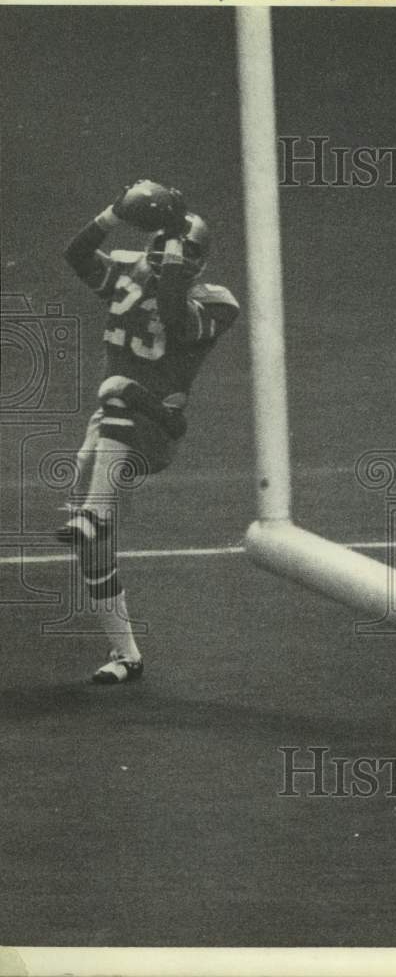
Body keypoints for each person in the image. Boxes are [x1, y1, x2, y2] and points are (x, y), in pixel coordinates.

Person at [59, 181, 239, 683]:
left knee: (117, 387)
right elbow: (75, 253)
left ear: (196, 262)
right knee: (92, 546)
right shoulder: (124, 273)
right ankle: (126, 655)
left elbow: (177, 313)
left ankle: (94, 512)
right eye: (157, 244)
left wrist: (174, 252)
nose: (160, 254)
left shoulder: (218, 303)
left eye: (173, 249)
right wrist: (114, 210)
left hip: (155, 427)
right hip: (113, 422)